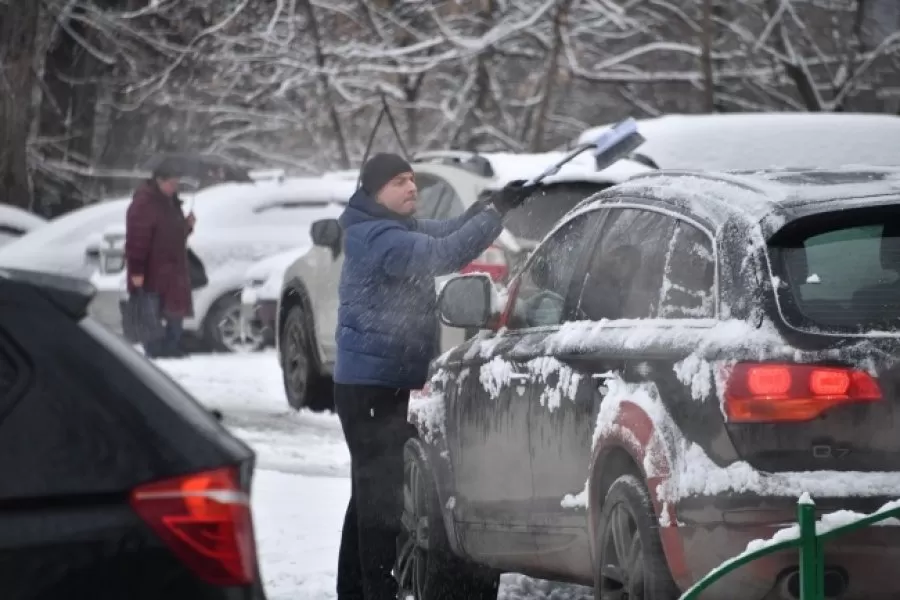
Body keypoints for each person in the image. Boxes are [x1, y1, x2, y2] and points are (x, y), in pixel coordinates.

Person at [333, 152, 534, 600]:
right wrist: (496, 215)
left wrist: (489, 206)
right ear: (373, 191)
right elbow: (443, 254)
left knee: (368, 494)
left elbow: (445, 231)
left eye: (411, 180)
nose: (411, 188)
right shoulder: (379, 238)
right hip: (369, 388)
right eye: (398, 182)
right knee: (379, 500)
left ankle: (355, 591)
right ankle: (375, 592)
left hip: (380, 382)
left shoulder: (392, 227)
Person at [124, 166, 196, 358]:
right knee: (151, 310)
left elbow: (174, 235)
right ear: (158, 180)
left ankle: (172, 345)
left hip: (173, 268)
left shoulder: (171, 203)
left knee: (174, 309)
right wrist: (137, 271)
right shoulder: (144, 204)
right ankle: (155, 348)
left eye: (176, 184)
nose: (174, 187)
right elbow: (136, 240)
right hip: (152, 268)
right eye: (171, 183)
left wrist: (187, 227)